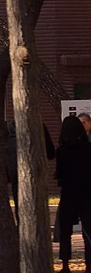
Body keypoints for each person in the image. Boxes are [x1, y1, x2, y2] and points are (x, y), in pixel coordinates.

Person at [56, 114, 91, 272]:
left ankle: (65, 264)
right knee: (88, 230)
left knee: (65, 231)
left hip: (68, 193)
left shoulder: (61, 151)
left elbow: (60, 174)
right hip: (87, 193)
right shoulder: (88, 149)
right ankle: (89, 264)